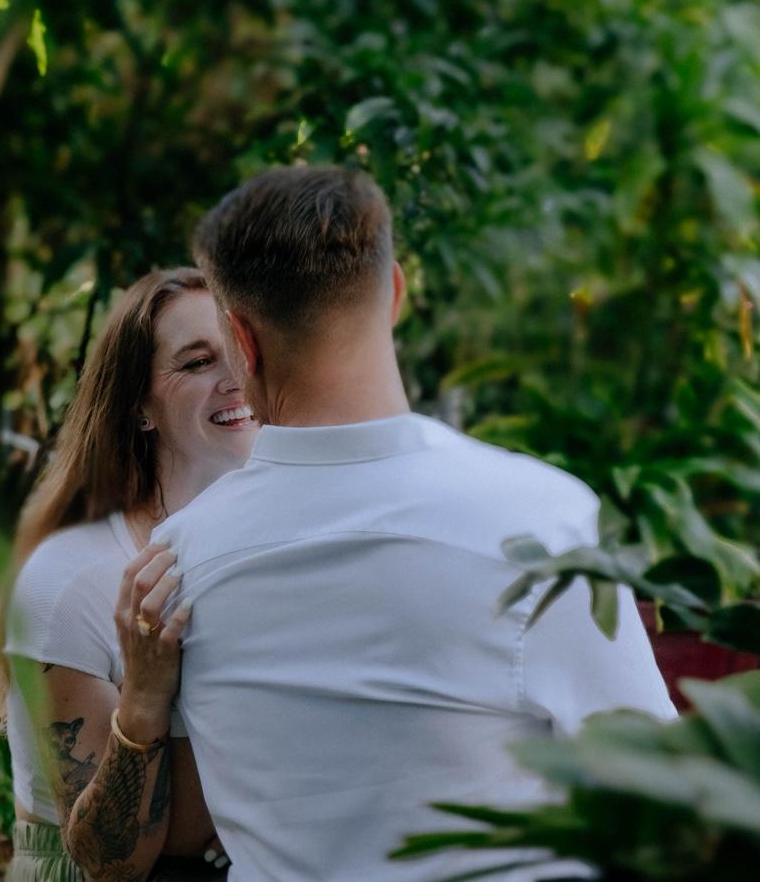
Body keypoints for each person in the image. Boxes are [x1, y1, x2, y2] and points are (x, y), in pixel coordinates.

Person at [145, 166, 676, 881]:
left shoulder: (178, 558)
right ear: (394, 293)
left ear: (242, 337)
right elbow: (656, 792)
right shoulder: (540, 517)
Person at [0, 268, 257, 881]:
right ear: (140, 409)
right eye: (197, 362)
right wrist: (146, 693)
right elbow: (113, 862)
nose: (235, 377)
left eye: (240, 349)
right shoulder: (71, 581)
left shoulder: (262, 540)